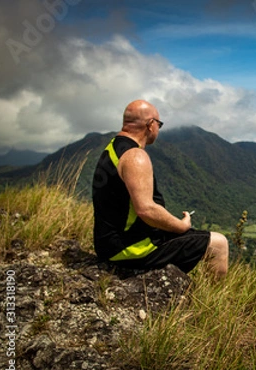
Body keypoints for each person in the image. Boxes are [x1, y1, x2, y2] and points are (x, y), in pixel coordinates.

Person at [92, 99, 228, 279]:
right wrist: (181, 226)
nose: (158, 129)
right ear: (150, 125)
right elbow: (146, 209)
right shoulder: (135, 157)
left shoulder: (112, 148)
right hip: (130, 249)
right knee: (218, 244)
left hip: (109, 244)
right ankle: (213, 301)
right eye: (159, 124)